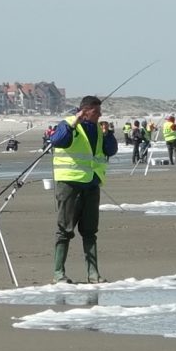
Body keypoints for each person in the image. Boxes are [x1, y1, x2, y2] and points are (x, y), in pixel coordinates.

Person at [49, 95, 118, 283]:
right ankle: (58, 273)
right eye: (96, 112)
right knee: (64, 229)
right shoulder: (67, 124)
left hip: (92, 183)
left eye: (100, 111)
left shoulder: (99, 128)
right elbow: (57, 141)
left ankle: (93, 274)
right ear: (84, 111)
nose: (100, 115)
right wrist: (74, 123)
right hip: (69, 183)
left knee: (90, 231)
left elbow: (110, 150)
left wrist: (108, 134)